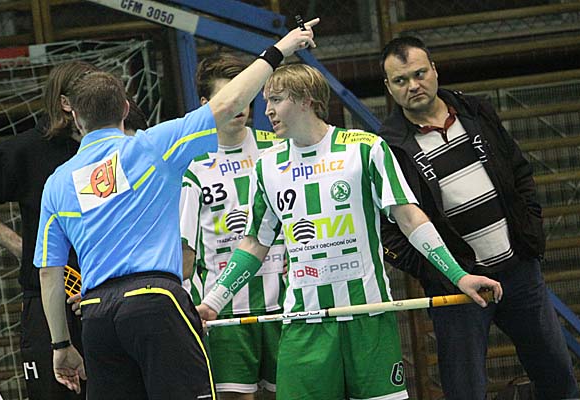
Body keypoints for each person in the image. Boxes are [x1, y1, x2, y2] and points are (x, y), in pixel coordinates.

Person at [33, 21, 319, 400]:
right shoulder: (153, 145)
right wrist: (279, 49)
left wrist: (60, 345)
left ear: (75, 117)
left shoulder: (56, 182)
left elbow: (49, 273)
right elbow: (228, 102)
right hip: (155, 303)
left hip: (97, 315)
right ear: (125, 108)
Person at [196, 63, 503, 400]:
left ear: (306, 100)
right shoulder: (267, 165)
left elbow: (409, 218)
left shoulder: (365, 149)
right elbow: (255, 243)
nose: (267, 110)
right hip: (305, 321)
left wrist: (459, 276)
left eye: (277, 100)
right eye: (267, 101)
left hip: (368, 316)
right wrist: (213, 303)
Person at [378, 36, 578, 399]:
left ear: (434, 70)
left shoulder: (476, 111)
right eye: (401, 80)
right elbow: (388, 231)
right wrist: (438, 272)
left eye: (419, 74)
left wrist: (530, 235)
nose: (413, 85)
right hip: (457, 289)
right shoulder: (386, 147)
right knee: (464, 391)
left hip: (519, 271)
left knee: (557, 376)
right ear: (389, 88)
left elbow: (520, 173)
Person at [0, 60, 147, 400]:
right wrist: (19, 244)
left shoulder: (116, 144)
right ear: (65, 104)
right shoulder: (22, 152)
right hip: (49, 302)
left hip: (110, 296)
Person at [180, 54, 285, 400]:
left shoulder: (279, 148)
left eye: (246, 95)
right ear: (206, 105)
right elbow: (184, 250)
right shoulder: (191, 163)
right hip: (222, 310)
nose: (239, 106)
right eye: (230, 97)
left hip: (284, 303)